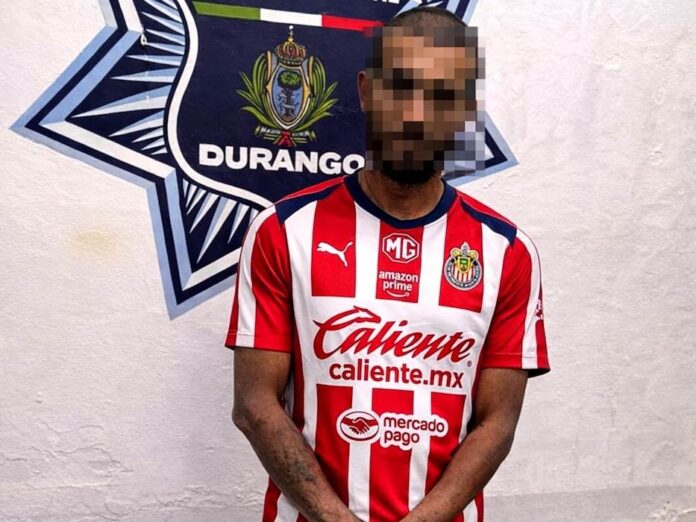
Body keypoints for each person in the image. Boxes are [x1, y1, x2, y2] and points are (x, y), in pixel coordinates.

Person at [226, 7, 550, 522]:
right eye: (401, 86)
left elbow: (498, 422)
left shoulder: (507, 251)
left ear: (466, 110)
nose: (416, 114)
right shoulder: (283, 231)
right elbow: (253, 403)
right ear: (366, 91)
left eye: (441, 94)